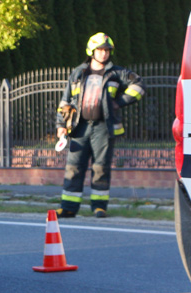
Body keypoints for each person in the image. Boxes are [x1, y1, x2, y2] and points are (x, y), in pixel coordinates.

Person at [55, 33, 146, 218]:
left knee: (101, 167)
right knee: (73, 166)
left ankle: (99, 206)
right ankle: (68, 207)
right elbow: (66, 100)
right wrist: (61, 125)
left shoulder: (117, 73)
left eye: (107, 50)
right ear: (91, 51)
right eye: (100, 50)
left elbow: (139, 86)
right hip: (79, 127)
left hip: (103, 128)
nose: (104, 54)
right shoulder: (78, 72)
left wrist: (119, 101)